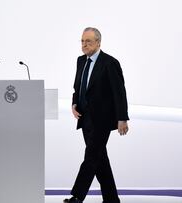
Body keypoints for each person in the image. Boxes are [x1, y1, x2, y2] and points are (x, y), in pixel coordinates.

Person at [64, 27, 129, 203]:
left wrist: (122, 118)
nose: (84, 45)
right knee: (100, 159)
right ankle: (111, 199)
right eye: (82, 41)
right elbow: (78, 87)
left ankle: (77, 196)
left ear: (98, 43)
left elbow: (119, 93)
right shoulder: (80, 61)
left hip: (102, 120)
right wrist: (74, 103)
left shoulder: (110, 63)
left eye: (88, 41)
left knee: (91, 156)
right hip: (84, 118)